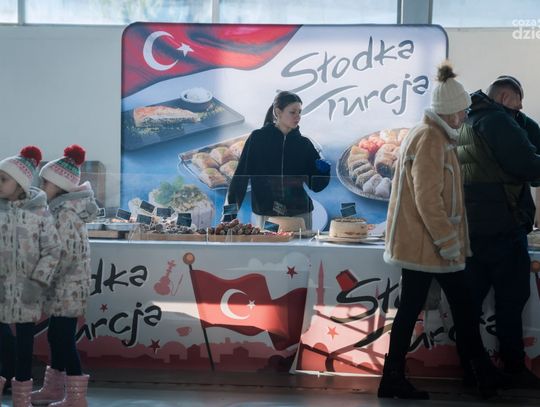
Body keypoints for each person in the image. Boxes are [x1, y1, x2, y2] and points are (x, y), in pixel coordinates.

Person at [380, 63, 499, 399]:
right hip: (429, 246)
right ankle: (478, 372)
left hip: (423, 244)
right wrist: (448, 241)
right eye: (461, 111)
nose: (464, 116)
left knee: (426, 308)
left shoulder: (432, 135)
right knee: (461, 305)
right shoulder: (432, 139)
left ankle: (396, 377)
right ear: (448, 111)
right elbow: (428, 198)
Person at [457, 75, 540, 388]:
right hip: (503, 224)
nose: (520, 109)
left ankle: (471, 370)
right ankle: (514, 368)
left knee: (470, 303)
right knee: (511, 300)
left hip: (471, 226)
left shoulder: (468, 119)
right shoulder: (498, 121)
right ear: (505, 98)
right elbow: (529, 167)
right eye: (518, 103)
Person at [32, 145, 98, 407]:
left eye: (45, 182)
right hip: (65, 288)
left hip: (67, 288)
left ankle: (76, 397)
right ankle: (54, 390)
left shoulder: (65, 215)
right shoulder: (62, 211)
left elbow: (62, 255)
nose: (41, 187)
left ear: (59, 187)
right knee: (56, 337)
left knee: (63, 339)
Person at [0, 146, 61, 406]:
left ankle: (22, 397)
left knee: (25, 345)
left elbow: (53, 250)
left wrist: (37, 282)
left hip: (27, 291)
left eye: (3, 179)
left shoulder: (39, 213)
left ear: (19, 184)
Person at [223, 90, 331, 229]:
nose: (298, 116)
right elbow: (240, 180)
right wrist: (228, 216)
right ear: (278, 112)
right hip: (267, 213)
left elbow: (315, 186)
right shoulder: (257, 139)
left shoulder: (304, 144)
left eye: (299, 112)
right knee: (271, 245)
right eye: (292, 112)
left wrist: (323, 172)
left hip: (300, 214)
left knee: (301, 245)